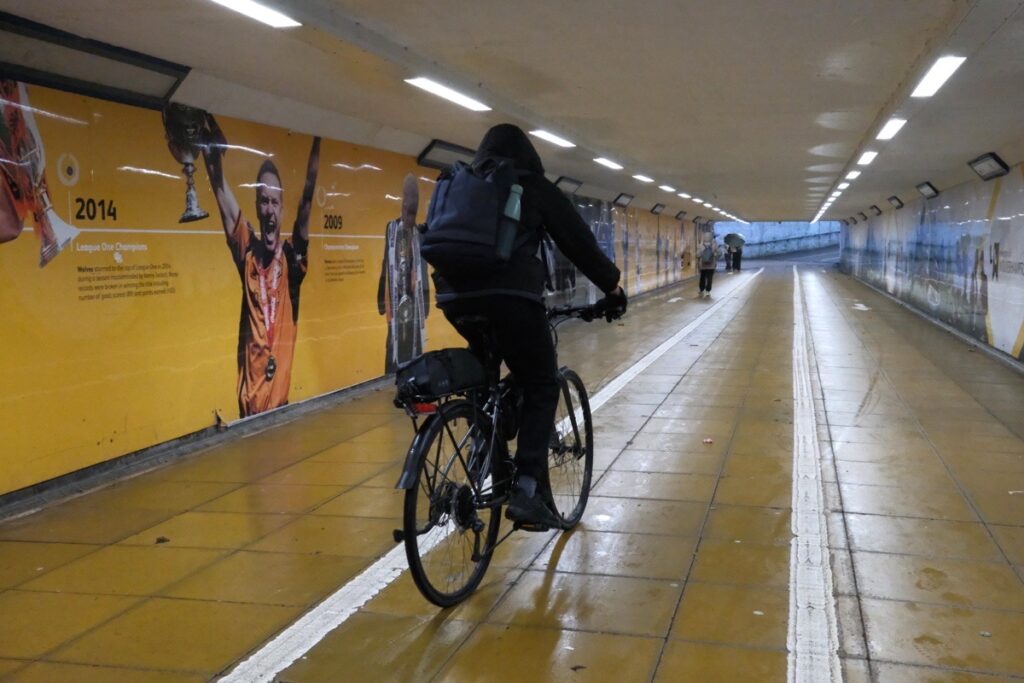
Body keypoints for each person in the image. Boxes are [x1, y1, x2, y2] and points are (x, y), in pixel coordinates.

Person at [433, 123, 626, 528]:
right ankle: (526, 489)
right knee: (541, 381)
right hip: (512, 299)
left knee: (485, 373)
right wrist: (612, 288)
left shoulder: (462, 185)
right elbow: (578, 242)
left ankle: (482, 445)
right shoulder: (530, 184)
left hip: (453, 298)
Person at [201, 113, 321, 417]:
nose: (269, 209)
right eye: (263, 201)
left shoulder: (292, 263)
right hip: (248, 412)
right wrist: (207, 148)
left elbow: (307, 200)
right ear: (256, 207)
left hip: (281, 408)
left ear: (282, 210)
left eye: (275, 202)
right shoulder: (248, 252)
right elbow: (219, 188)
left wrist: (319, 135)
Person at [378, 174, 430, 374]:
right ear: (403, 204)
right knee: (394, 348)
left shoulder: (420, 234)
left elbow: (423, 268)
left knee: (415, 351)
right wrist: (382, 300)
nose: (410, 214)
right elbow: (386, 264)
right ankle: (393, 376)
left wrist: (424, 304)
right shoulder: (392, 229)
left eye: (413, 210)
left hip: (414, 306)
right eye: (408, 207)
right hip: (395, 305)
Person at [697, 231, 720, 297]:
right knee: (709, 278)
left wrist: (701, 257)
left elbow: (697, 255)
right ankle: (708, 291)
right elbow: (719, 253)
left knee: (702, 277)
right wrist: (715, 256)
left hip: (703, 265)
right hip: (711, 265)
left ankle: (701, 289)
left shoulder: (701, 245)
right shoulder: (714, 245)